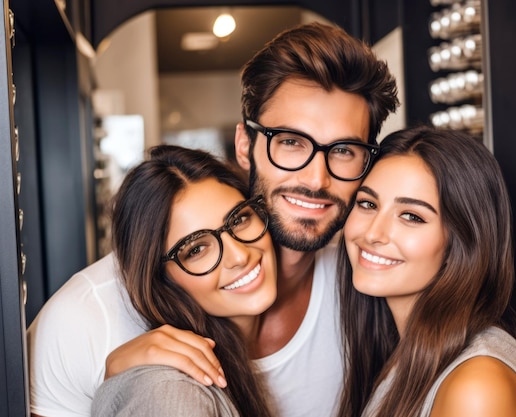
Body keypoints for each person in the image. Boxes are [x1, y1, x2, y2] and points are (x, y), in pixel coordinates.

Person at [27, 21, 398, 417]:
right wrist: (116, 389)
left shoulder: (372, 282)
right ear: (244, 145)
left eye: (343, 150)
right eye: (291, 142)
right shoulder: (83, 320)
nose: (316, 178)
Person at [336, 126, 516, 417]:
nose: (373, 233)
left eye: (411, 216)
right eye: (367, 204)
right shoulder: (405, 351)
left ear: (462, 243)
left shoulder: (477, 387)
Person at [87, 145, 276, 417]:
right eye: (197, 249)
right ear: (161, 280)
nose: (240, 255)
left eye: (240, 219)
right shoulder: (170, 392)